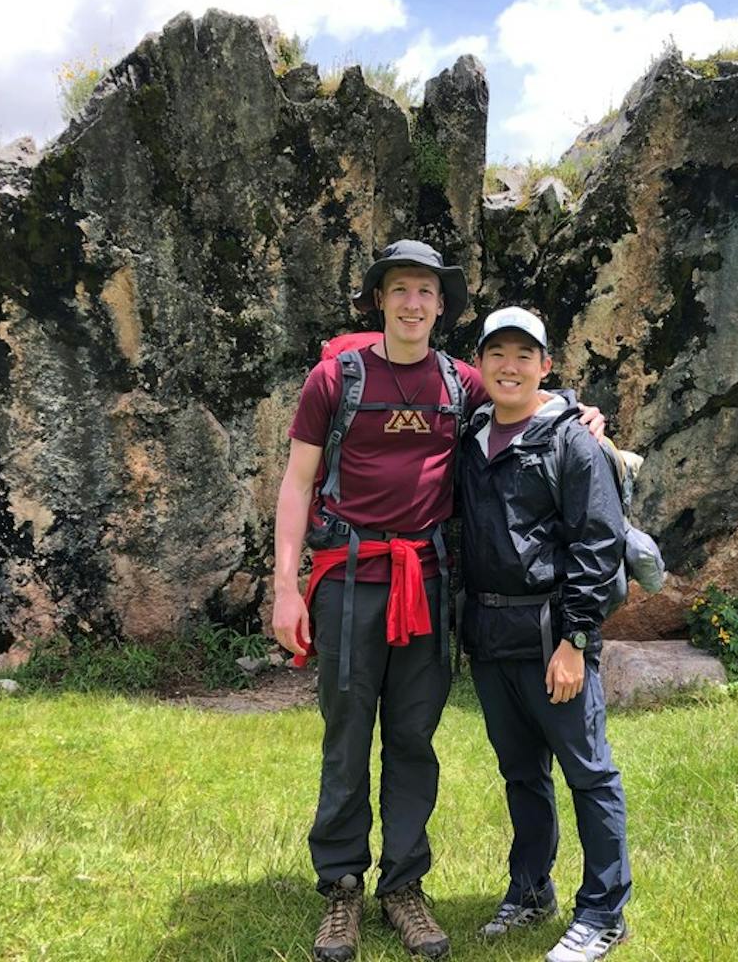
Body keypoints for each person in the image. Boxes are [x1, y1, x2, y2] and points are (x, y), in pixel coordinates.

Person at [271, 242, 602, 961]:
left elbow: (526, 402)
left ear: (441, 305)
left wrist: (580, 412)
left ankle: (404, 886)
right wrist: (284, 587)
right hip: (349, 578)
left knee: (415, 738)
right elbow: (298, 483)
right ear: (379, 300)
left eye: (425, 291)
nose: (413, 303)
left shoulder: (460, 384)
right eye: (399, 290)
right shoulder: (335, 380)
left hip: (427, 580)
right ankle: (341, 888)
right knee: (347, 731)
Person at [456, 306, 633, 962]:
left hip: (550, 634)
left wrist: (575, 641)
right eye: (497, 353)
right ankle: (531, 890)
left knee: (589, 773)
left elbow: (598, 543)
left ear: (545, 366)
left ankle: (604, 912)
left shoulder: (572, 440)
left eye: (523, 354)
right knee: (521, 773)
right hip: (490, 633)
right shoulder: (471, 439)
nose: (510, 365)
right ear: (481, 364)